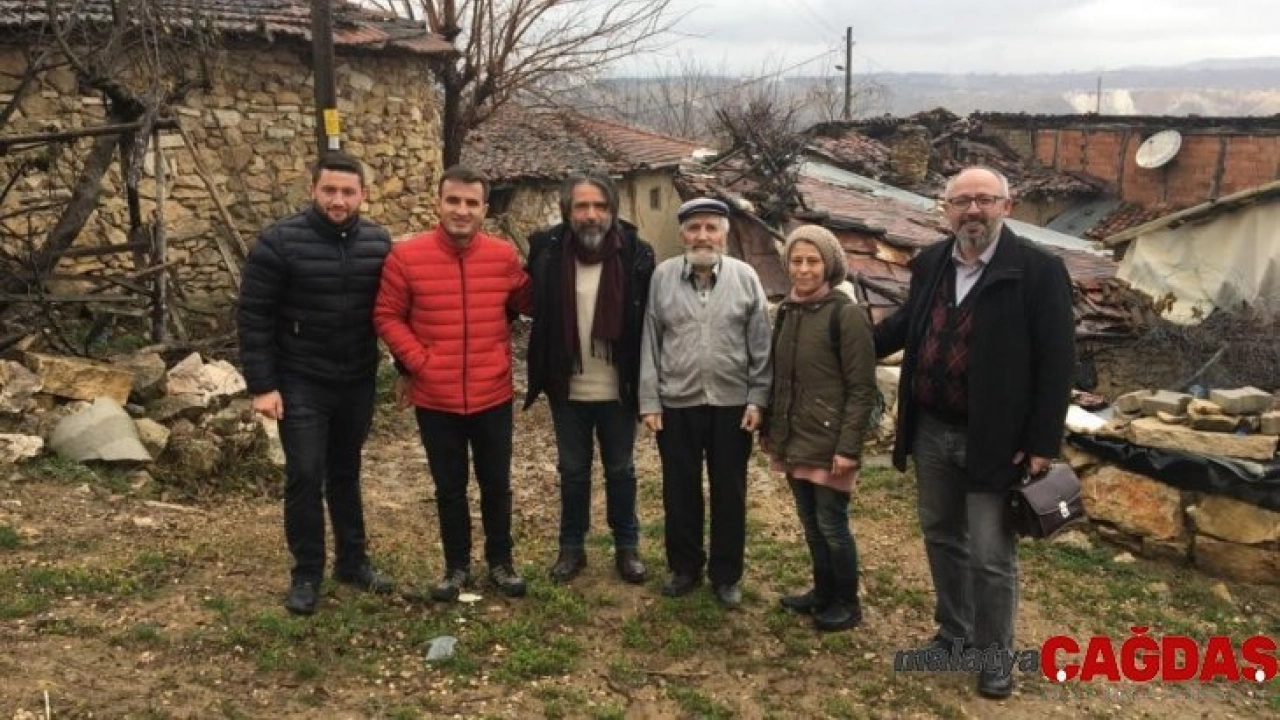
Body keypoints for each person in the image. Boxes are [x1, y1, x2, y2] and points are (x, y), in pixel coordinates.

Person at [874, 166, 1075, 699]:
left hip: (996, 441)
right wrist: (845, 340)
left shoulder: (1037, 271)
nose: (973, 210)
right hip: (931, 430)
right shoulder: (932, 263)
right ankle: (954, 634)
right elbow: (905, 326)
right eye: (961, 201)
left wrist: (1042, 443)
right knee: (942, 535)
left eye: (984, 200)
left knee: (990, 555)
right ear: (946, 209)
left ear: (1007, 206)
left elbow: (1058, 363)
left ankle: (994, 655)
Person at [237, 151, 395, 616]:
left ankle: (353, 562)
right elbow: (254, 316)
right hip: (301, 378)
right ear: (313, 190)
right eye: (329, 190)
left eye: (347, 192)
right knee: (306, 474)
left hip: (357, 378)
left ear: (363, 195)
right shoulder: (279, 242)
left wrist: (406, 370)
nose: (338, 200)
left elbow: (393, 310)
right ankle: (307, 573)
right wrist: (263, 385)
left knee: (345, 471)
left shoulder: (378, 243)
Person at [373, 165, 533, 602]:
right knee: (449, 488)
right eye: (453, 201)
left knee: (496, 485)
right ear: (438, 204)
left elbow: (528, 300)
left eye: (471, 203)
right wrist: (417, 362)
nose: (462, 210)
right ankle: (456, 566)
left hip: (492, 391)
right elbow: (387, 314)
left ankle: (501, 563)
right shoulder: (407, 257)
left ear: (485, 209)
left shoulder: (502, 256)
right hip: (436, 396)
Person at [638, 197, 772, 608]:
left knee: (729, 491)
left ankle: (726, 574)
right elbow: (651, 341)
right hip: (677, 403)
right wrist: (650, 401)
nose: (703, 236)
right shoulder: (663, 277)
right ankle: (685, 568)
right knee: (679, 489)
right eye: (694, 228)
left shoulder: (745, 277)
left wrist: (758, 398)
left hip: (733, 405)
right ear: (682, 235)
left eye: (711, 228)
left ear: (724, 235)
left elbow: (761, 345)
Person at [524, 172, 655, 585]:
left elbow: (650, 323)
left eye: (600, 206)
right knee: (573, 471)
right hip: (568, 386)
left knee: (621, 470)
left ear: (613, 210)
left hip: (618, 387)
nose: (591, 215)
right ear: (568, 211)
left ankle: (627, 547)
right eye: (582, 206)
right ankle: (571, 548)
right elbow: (527, 305)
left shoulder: (637, 254)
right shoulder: (547, 252)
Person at [763, 225, 878, 633]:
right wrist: (771, 430)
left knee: (832, 524)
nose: (804, 269)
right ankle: (823, 592)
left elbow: (862, 389)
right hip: (795, 438)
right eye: (796, 261)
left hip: (830, 443)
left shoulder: (845, 314)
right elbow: (780, 378)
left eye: (812, 261)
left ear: (829, 265)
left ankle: (846, 602)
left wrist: (848, 448)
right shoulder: (787, 312)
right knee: (811, 523)